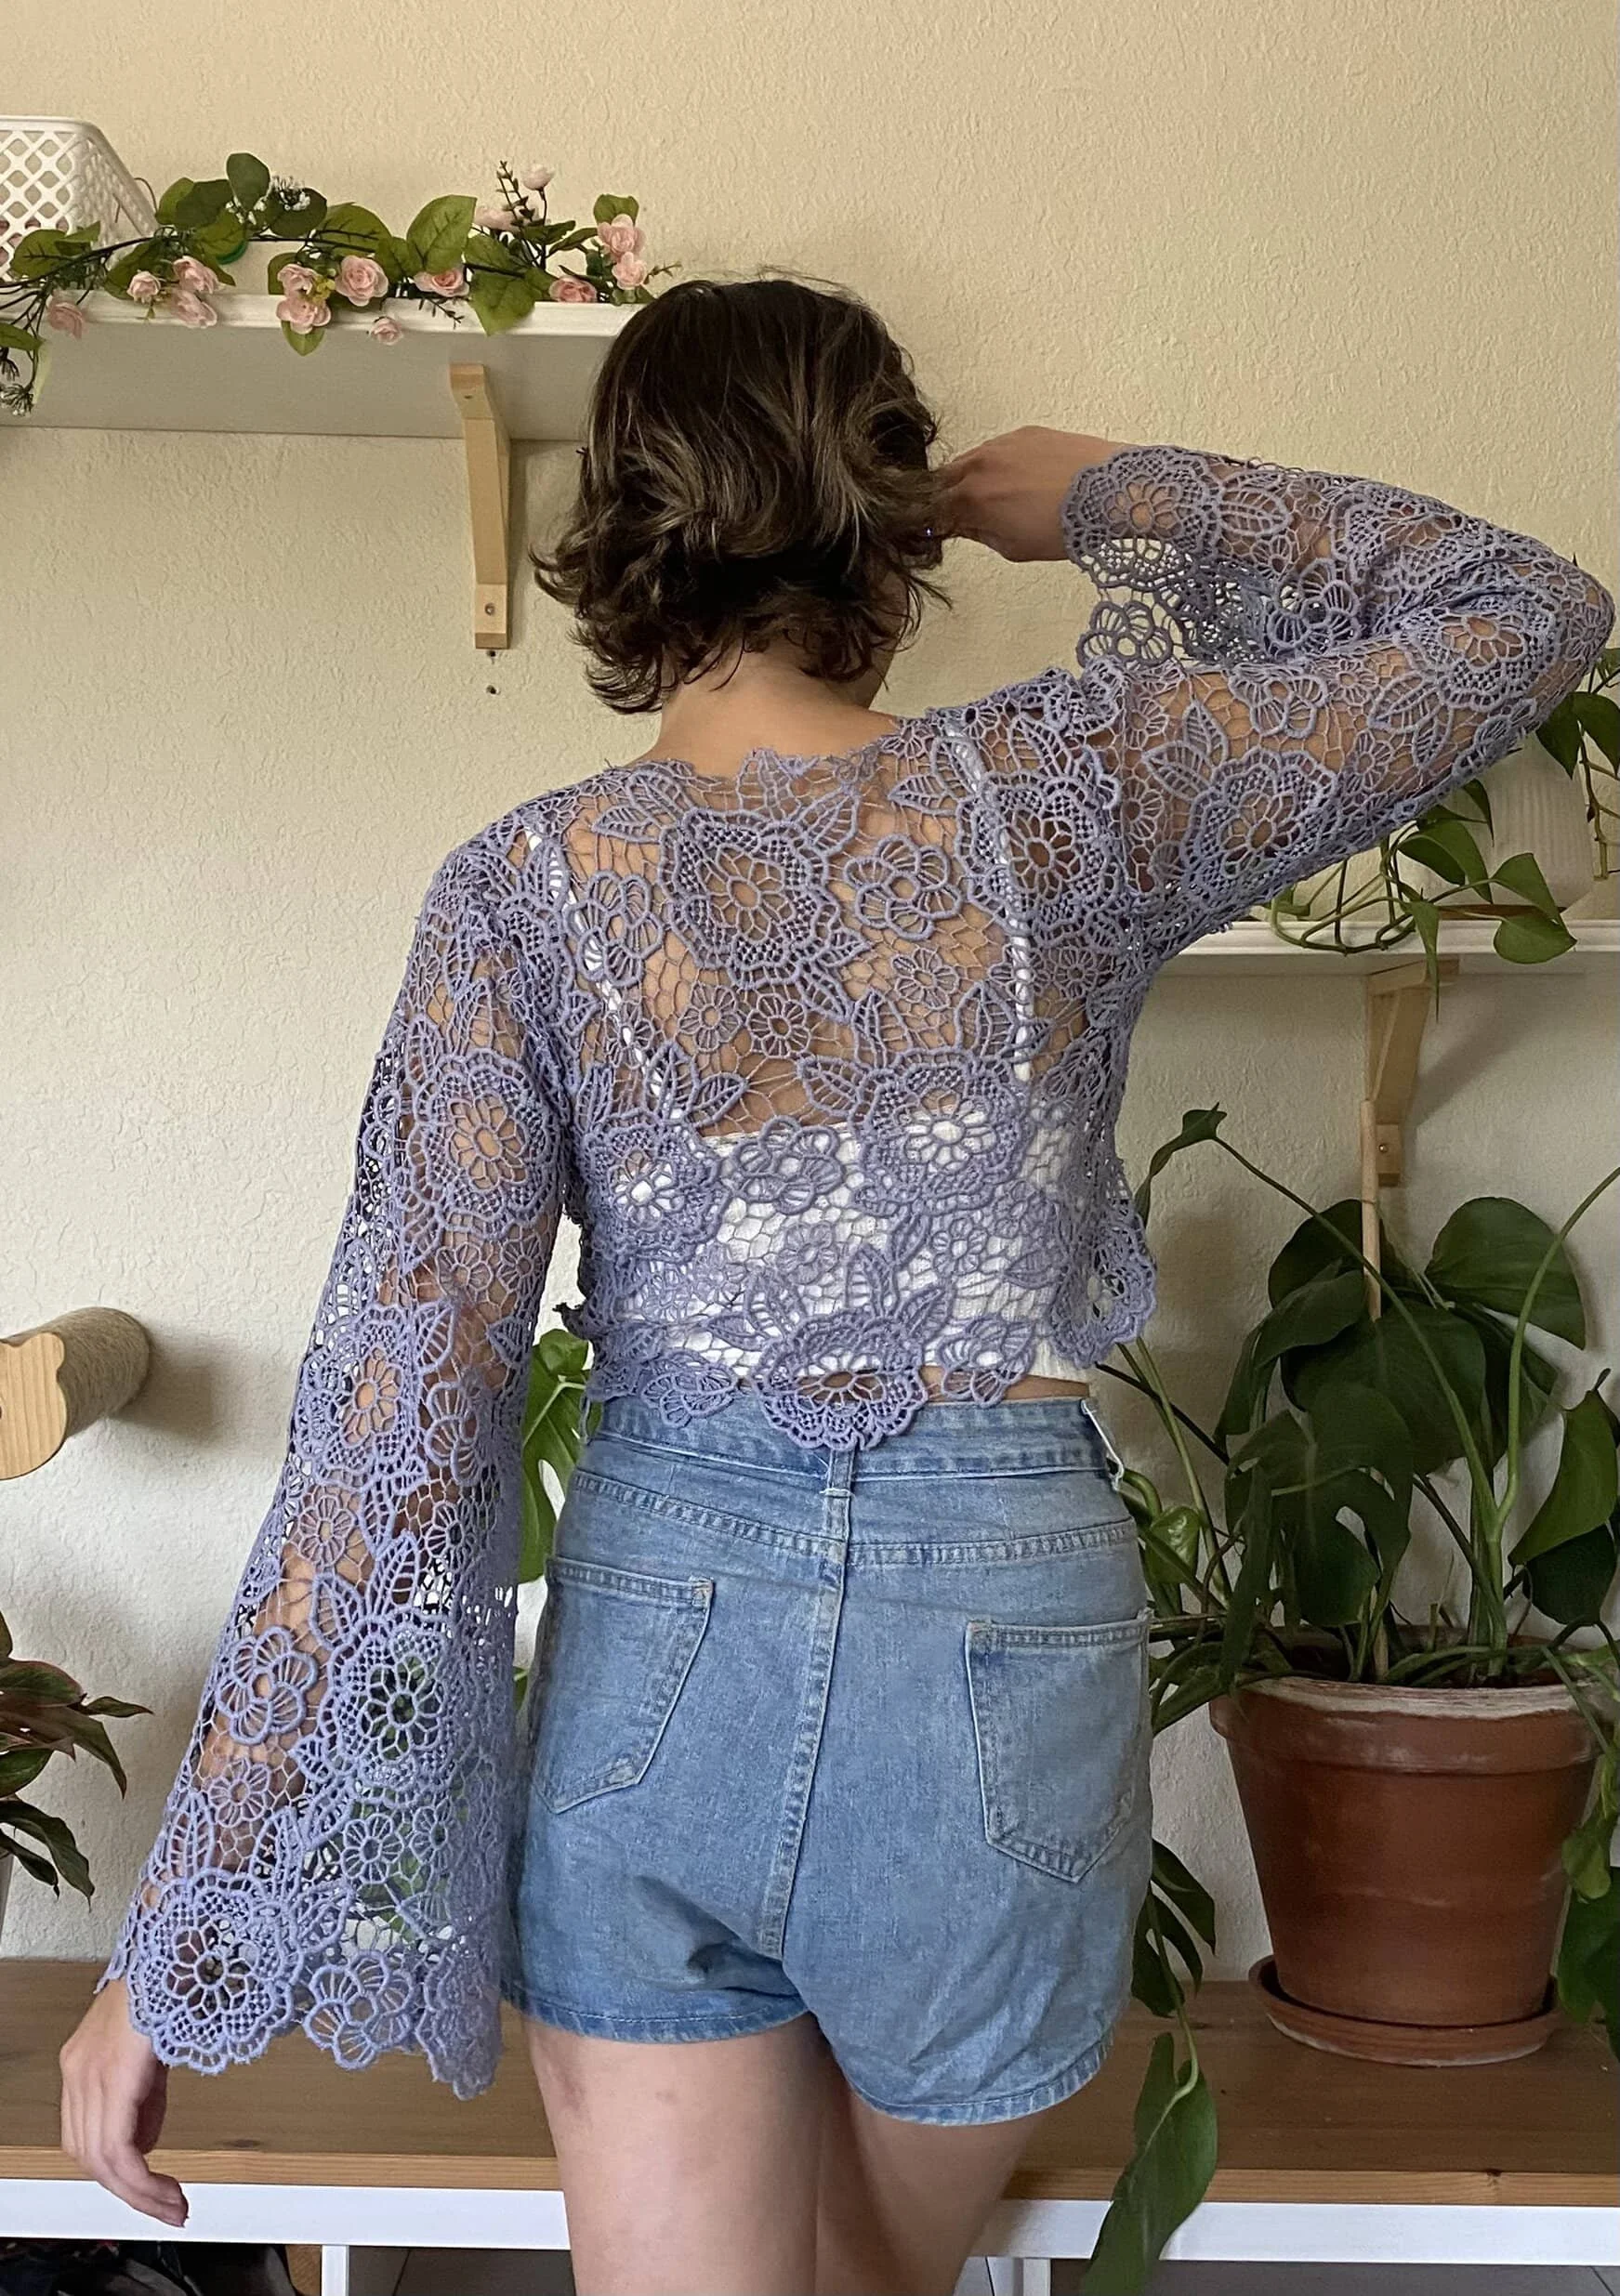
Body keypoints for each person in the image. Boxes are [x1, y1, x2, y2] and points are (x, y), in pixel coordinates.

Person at [60, 274, 1612, 2295]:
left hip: (663, 1632)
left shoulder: (524, 892)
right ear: (887, 524)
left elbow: (396, 1413)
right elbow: (1524, 609)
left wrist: (173, 1937)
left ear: (623, 530)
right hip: (1001, 1636)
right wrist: (1106, 490)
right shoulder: (1071, 796)